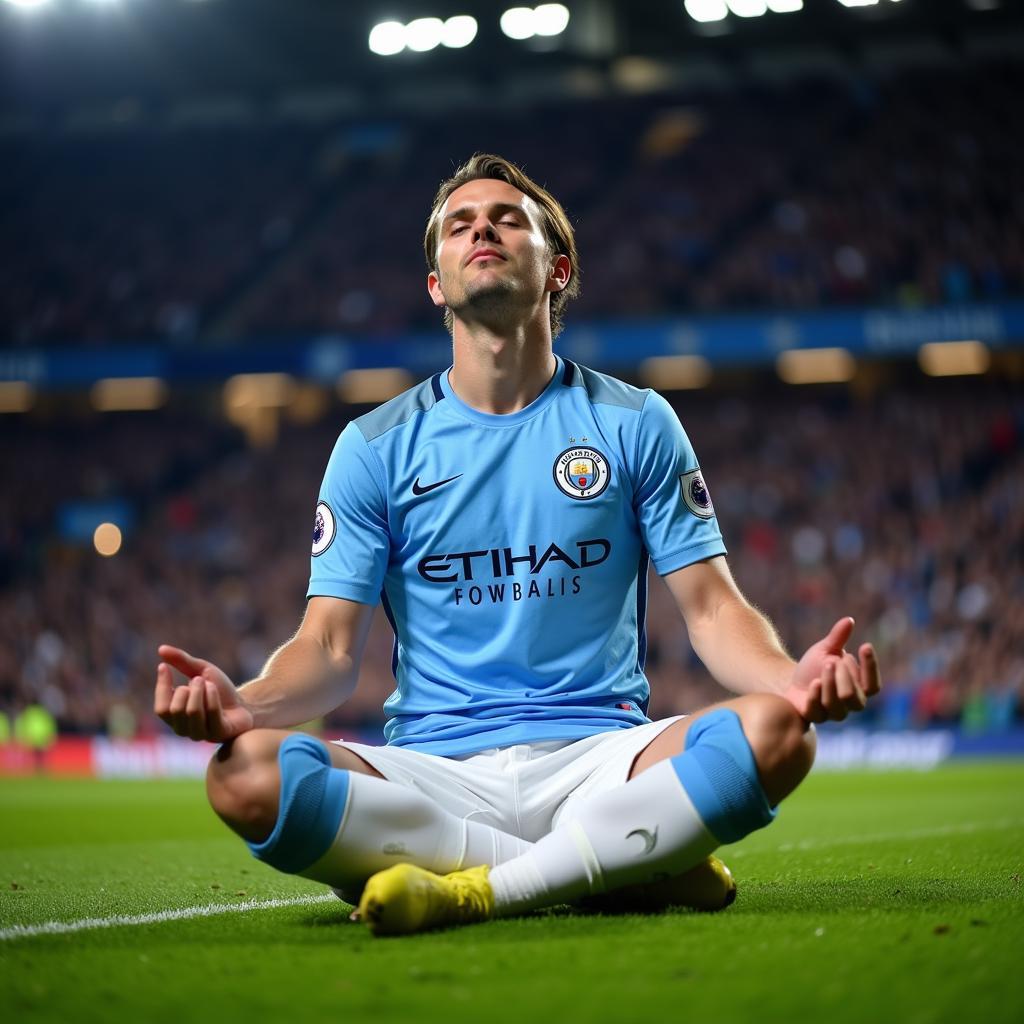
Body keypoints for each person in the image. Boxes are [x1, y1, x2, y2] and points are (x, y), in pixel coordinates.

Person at [154, 154, 881, 936]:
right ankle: (613, 867)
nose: (482, 231)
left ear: (556, 269)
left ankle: (480, 888)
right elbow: (329, 650)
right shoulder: (373, 447)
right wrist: (246, 703)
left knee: (778, 736)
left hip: (603, 759)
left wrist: (789, 679)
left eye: (506, 218)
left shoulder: (634, 422)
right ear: (436, 283)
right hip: (434, 770)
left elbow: (709, 612)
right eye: (460, 225)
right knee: (246, 776)